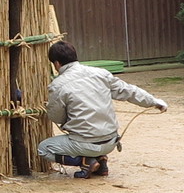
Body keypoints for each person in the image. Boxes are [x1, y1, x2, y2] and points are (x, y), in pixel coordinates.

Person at [39, 40, 166, 179]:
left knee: (44, 149)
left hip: (85, 144)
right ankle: (100, 160)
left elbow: (56, 117)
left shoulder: (57, 85)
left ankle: (85, 162)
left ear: (57, 63)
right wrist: (154, 101)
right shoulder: (101, 73)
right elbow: (129, 91)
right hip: (111, 142)